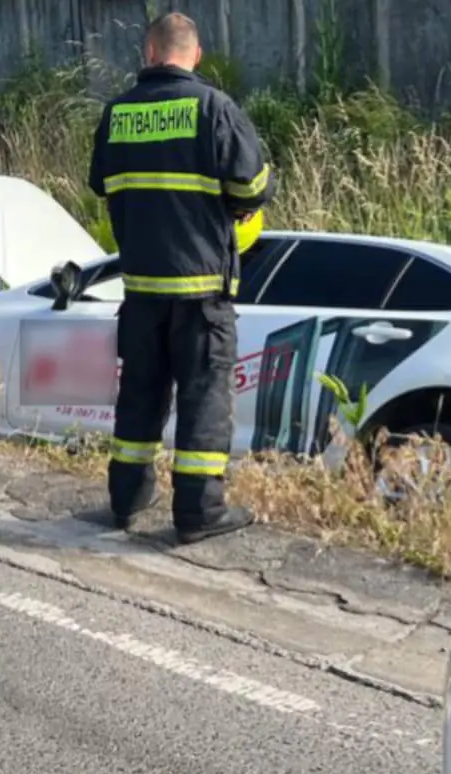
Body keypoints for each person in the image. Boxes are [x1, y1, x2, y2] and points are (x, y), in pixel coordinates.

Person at [87, 11, 274, 543]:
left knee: (140, 395)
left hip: (141, 290)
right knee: (204, 398)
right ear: (196, 55)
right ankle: (198, 511)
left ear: (148, 53)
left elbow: (104, 183)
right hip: (199, 292)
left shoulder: (117, 114)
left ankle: (126, 499)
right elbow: (251, 187)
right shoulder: (215, 108)